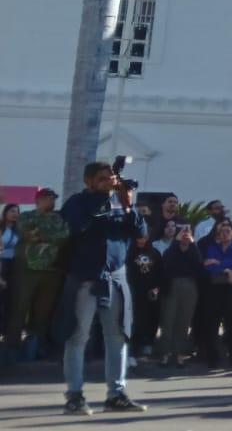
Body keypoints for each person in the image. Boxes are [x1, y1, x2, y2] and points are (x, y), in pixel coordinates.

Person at [60, 161, 149, 415]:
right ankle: (74, 396)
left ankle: (116, 394)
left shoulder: (121, 202)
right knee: (78, 337)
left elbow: (141, 233)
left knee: (118, 336)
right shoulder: (77, 202)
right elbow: (77, 227)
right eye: (102, 179)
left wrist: (128, 204)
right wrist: (102, 200)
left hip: (116, 277)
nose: (109, 183)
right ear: (89, 181)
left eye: (111, 178)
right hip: (85, 277)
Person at [9, 188, 67, 362]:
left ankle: (35, 347)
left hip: (51, 271)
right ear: (39, 200)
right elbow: (27, 233)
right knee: (19, 308)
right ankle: (12, 348)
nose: (52, 202)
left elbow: (64, 235)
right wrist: (46, 236)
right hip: (27, 269)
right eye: (48, 198)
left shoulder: (58, 218)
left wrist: (42, 236)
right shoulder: (26, 216)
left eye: (53, 199)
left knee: (43, 312)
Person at [196, 220, 232, 369]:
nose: (224, 234)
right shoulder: (213, 248)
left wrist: (220, 265)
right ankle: (213, 358)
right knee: (212, 323)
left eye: (227, 231)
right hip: (214, 288)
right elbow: (208, 268)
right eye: (221, 232)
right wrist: (227, 270)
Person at [158, 224, 203, 367]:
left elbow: (199, 265)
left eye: (187, 233)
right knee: (168, 320)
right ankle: (165, 354)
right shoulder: (171, 250)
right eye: (182, 233)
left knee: (184, 321)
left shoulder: (194, 250)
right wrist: (176, 242)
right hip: (171, 285)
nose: (185, 235)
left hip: (190, 286)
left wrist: (193, 243)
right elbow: (168, 262)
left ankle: (179, 354)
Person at [127, 232, 163, 360]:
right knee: (136, 319)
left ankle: (148, 344)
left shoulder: (155, 253)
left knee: (152, 317)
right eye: (139, 237)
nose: (141, 240)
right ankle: (135, 348)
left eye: (144, 238)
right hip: (135, 291)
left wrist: (158, 288)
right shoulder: (129, 253)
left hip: (151, 292)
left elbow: (160, 272)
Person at [0, 203, 18, 358]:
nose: (14, 214)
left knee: (10, 305)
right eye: (11, 211)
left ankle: (7, 340)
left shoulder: (18, 230)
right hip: (1, 265)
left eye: (16, 212)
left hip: (14, 267)